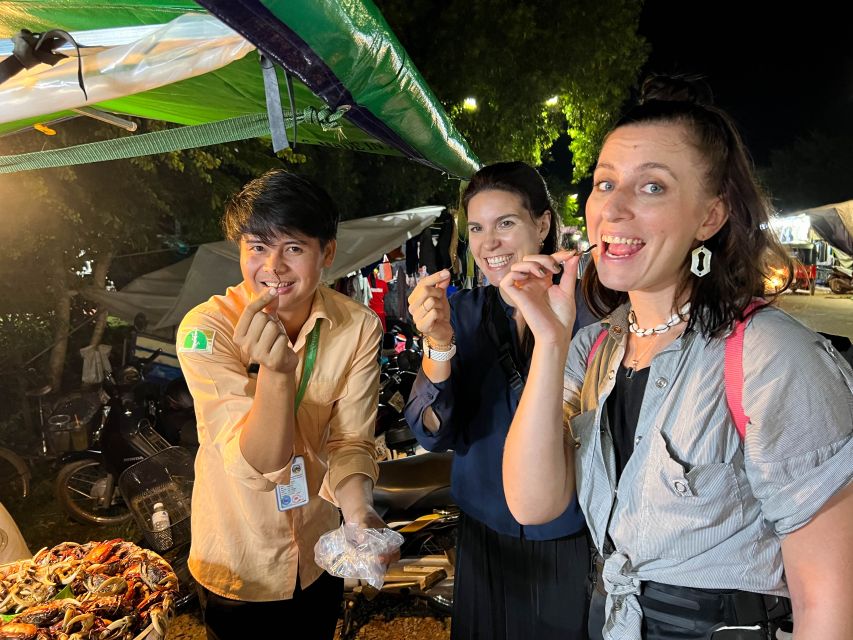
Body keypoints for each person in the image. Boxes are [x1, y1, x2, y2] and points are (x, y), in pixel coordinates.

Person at [500, 75, 853, 640]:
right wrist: (549, 339)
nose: (612, 209)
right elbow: (532, 503)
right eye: (605, 182)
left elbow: (832, 600)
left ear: (709, 218)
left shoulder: (771, 356)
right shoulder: (594, 350)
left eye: (652, 188)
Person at [177, 170, 387, 640]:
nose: (271, 267)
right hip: (239, 560)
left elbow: (351, 440)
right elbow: (258, 463)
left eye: (292, 247)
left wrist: (357, 515)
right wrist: (276, 373)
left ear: (326, 253)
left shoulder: (357, 327)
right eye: (256, 247)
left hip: (317, 553)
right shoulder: (205, 330)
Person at [404, 162, 591, 640]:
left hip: (570, 539)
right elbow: (431, 431)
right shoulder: (463, 312)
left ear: (543, 224)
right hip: (484, 535)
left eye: (506, 223)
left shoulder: (591, 315)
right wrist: (439, 342)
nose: (489, 244)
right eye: (477, 229)